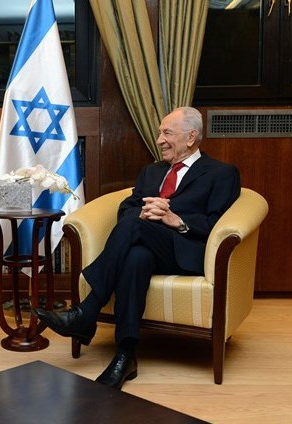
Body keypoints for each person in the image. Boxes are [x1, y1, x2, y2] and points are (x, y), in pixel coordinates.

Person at [35, 106, 240, 390]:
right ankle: (125, 354)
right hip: (146, 245)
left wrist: (175, 219)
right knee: (136, 256)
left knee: (135, 229)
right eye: (159, 133)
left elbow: (216, 222)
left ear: (191, 137)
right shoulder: (151, 172)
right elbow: (127, 208)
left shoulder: (221, 173)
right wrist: (143, 215)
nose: (159, 140)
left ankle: (88, 311)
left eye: (167, 132)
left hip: (185, 251)